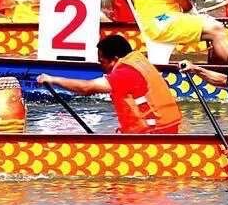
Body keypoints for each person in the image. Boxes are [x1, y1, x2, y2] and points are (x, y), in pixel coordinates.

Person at [37, 34, 181, 134]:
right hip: (167, 129)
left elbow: (86, 88)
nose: (101, 66)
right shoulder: (138, 60)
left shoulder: (126, 72)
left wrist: (52, 79)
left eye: (102, 61)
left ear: (115, 58)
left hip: (154, 134)